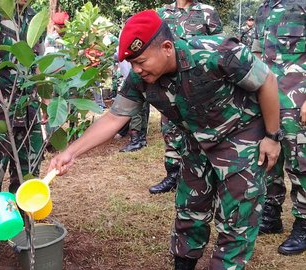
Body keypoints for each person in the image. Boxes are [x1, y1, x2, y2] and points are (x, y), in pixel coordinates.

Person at [48, 10, 280, 269]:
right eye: (132, 63)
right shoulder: (140, 78)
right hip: (197, 141)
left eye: (141, 61)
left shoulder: (216, 53)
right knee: (190, 210)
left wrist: (272, 136)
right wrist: (71, 152)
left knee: (237, 218)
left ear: (167, 47)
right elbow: (115, 116)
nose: (136, 69)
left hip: (241, 137)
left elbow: (266, 80)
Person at [0, 0, 45, 262]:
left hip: (28, 109)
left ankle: (20, 225)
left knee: (27, 172)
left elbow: (38, 64)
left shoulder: (36, 18)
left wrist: (44, 100)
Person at [149, 0, 223, 194]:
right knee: (170, 126)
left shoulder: (208, 12)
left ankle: (207, 173)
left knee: (201, 125)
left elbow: (219, 47)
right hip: (170, 82)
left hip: (198, 81)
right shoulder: (162, 14)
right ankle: (172, 174)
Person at [251, 0, 306, 256]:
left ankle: (304, 222)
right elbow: (257, 55)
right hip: (268, 99)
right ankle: (271, 215)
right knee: (268, 161)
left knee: (300, 164)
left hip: (298, 99)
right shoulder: (263, 9)